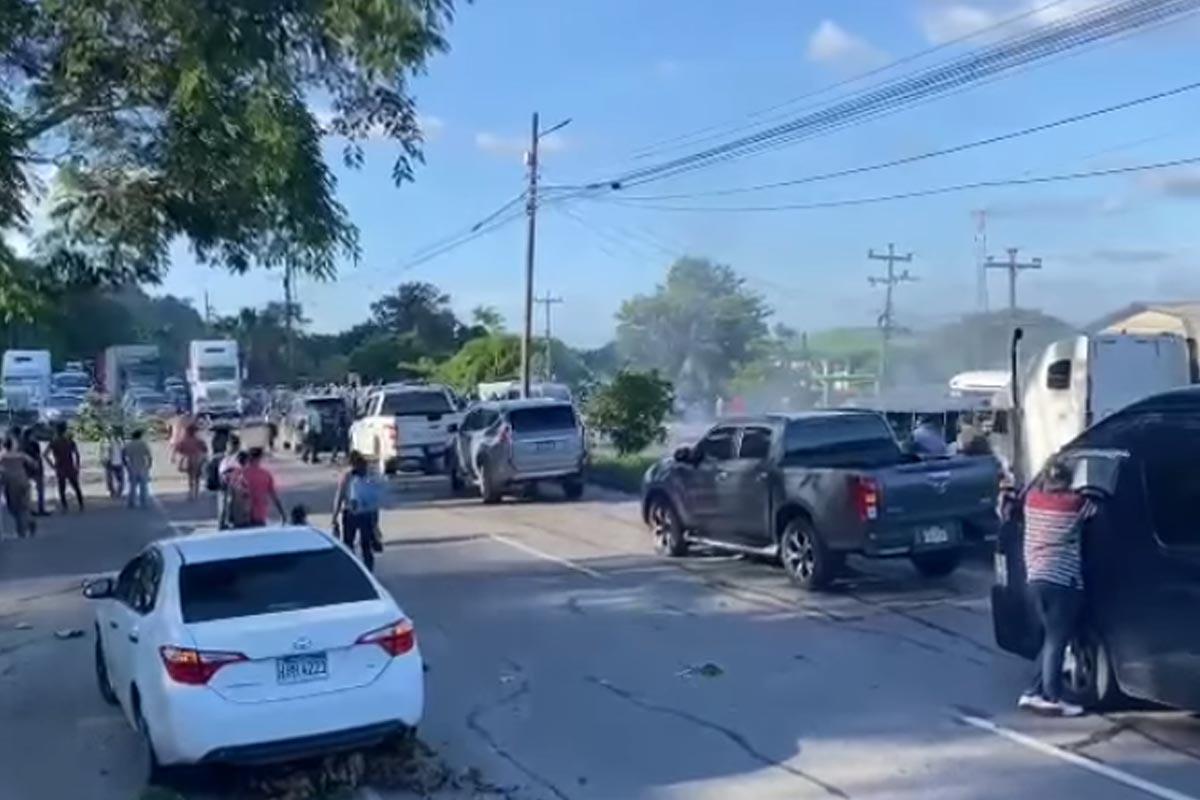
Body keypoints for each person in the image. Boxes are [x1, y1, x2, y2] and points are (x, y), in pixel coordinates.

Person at [1018, 458, 1096, 717]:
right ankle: (1052, 697)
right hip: (1061, 582)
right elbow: (1095, 510)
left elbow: (1026, 490)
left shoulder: (1032, 501)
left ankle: (1032, 692)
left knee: (1052, 638)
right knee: (1057, 640)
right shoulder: (1074, 505)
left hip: (1035, 578)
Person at [332, 451, 383, 570]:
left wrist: (334, 518)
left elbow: (339, 497)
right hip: (362, 514)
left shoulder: (349, 476)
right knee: (363, 546)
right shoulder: (365, 476)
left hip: (353, 514)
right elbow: (374, 500)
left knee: (353, 545)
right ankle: (366, 571)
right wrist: (376, 523)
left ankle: (353, 570)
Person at [0, 437, 37, 538]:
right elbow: (34, 464)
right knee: (23, 507)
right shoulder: (21, 455)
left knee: (14, 508)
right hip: (23, 481)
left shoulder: (2, 457)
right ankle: (29, 522)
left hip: (11, 484)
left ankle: (21, 530)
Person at [44, 422, 84, 512]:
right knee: (76, 486)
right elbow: (77, 454)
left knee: (62, 487)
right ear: (65, 430)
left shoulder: (54, 442)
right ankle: (81, 504)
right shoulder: (69, 441)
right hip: (70, 466)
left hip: (60, 466)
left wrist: (52, 465)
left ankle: (64, 506)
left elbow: (45, 454)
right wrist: (77, 465)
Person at [241, 447, 285, 527]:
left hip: (243, 515)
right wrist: (282, 513)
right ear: (260, 458)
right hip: (259, 514)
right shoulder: (265, 475)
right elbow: (273, 495)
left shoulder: (241, 474)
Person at [15, 427, 47, 516]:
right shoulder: (34, 444)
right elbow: (38, 457)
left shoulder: (20, 445)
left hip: (25, 470)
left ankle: (28, 509)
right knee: (40, 490)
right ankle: (41, 509)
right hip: (35, 469)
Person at [174, 423, 209, 501]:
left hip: (188, 459)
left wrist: (180, 455)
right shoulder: (198, 440)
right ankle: (196, 493)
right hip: (197, 459)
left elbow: (178, 449)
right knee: (197, 477)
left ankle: (191, 493)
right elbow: (205, 449)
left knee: (190, 477)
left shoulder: (184, 440)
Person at [122, 429, 153, 509]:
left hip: (132, 466)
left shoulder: (128, 445)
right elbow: (149, 455)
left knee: (132, 486)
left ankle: (131, 502)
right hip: (142, 466)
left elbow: (123, 455)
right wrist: (149, 465)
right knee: (143, 486)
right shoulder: (143, 444)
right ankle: (143, 502)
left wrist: (126, 464)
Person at [103, 425, 126, 499]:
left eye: (111, 431)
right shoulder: (106, 441)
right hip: (109, 462)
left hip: (118, 461)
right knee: (109, 478)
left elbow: (123, 450)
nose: (109, 433)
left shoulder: (119, 440)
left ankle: (119, 491)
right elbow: (104, 451)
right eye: (108, 431)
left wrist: (124, 459)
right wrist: (103, 460)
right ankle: (112, 492)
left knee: (120, 478)